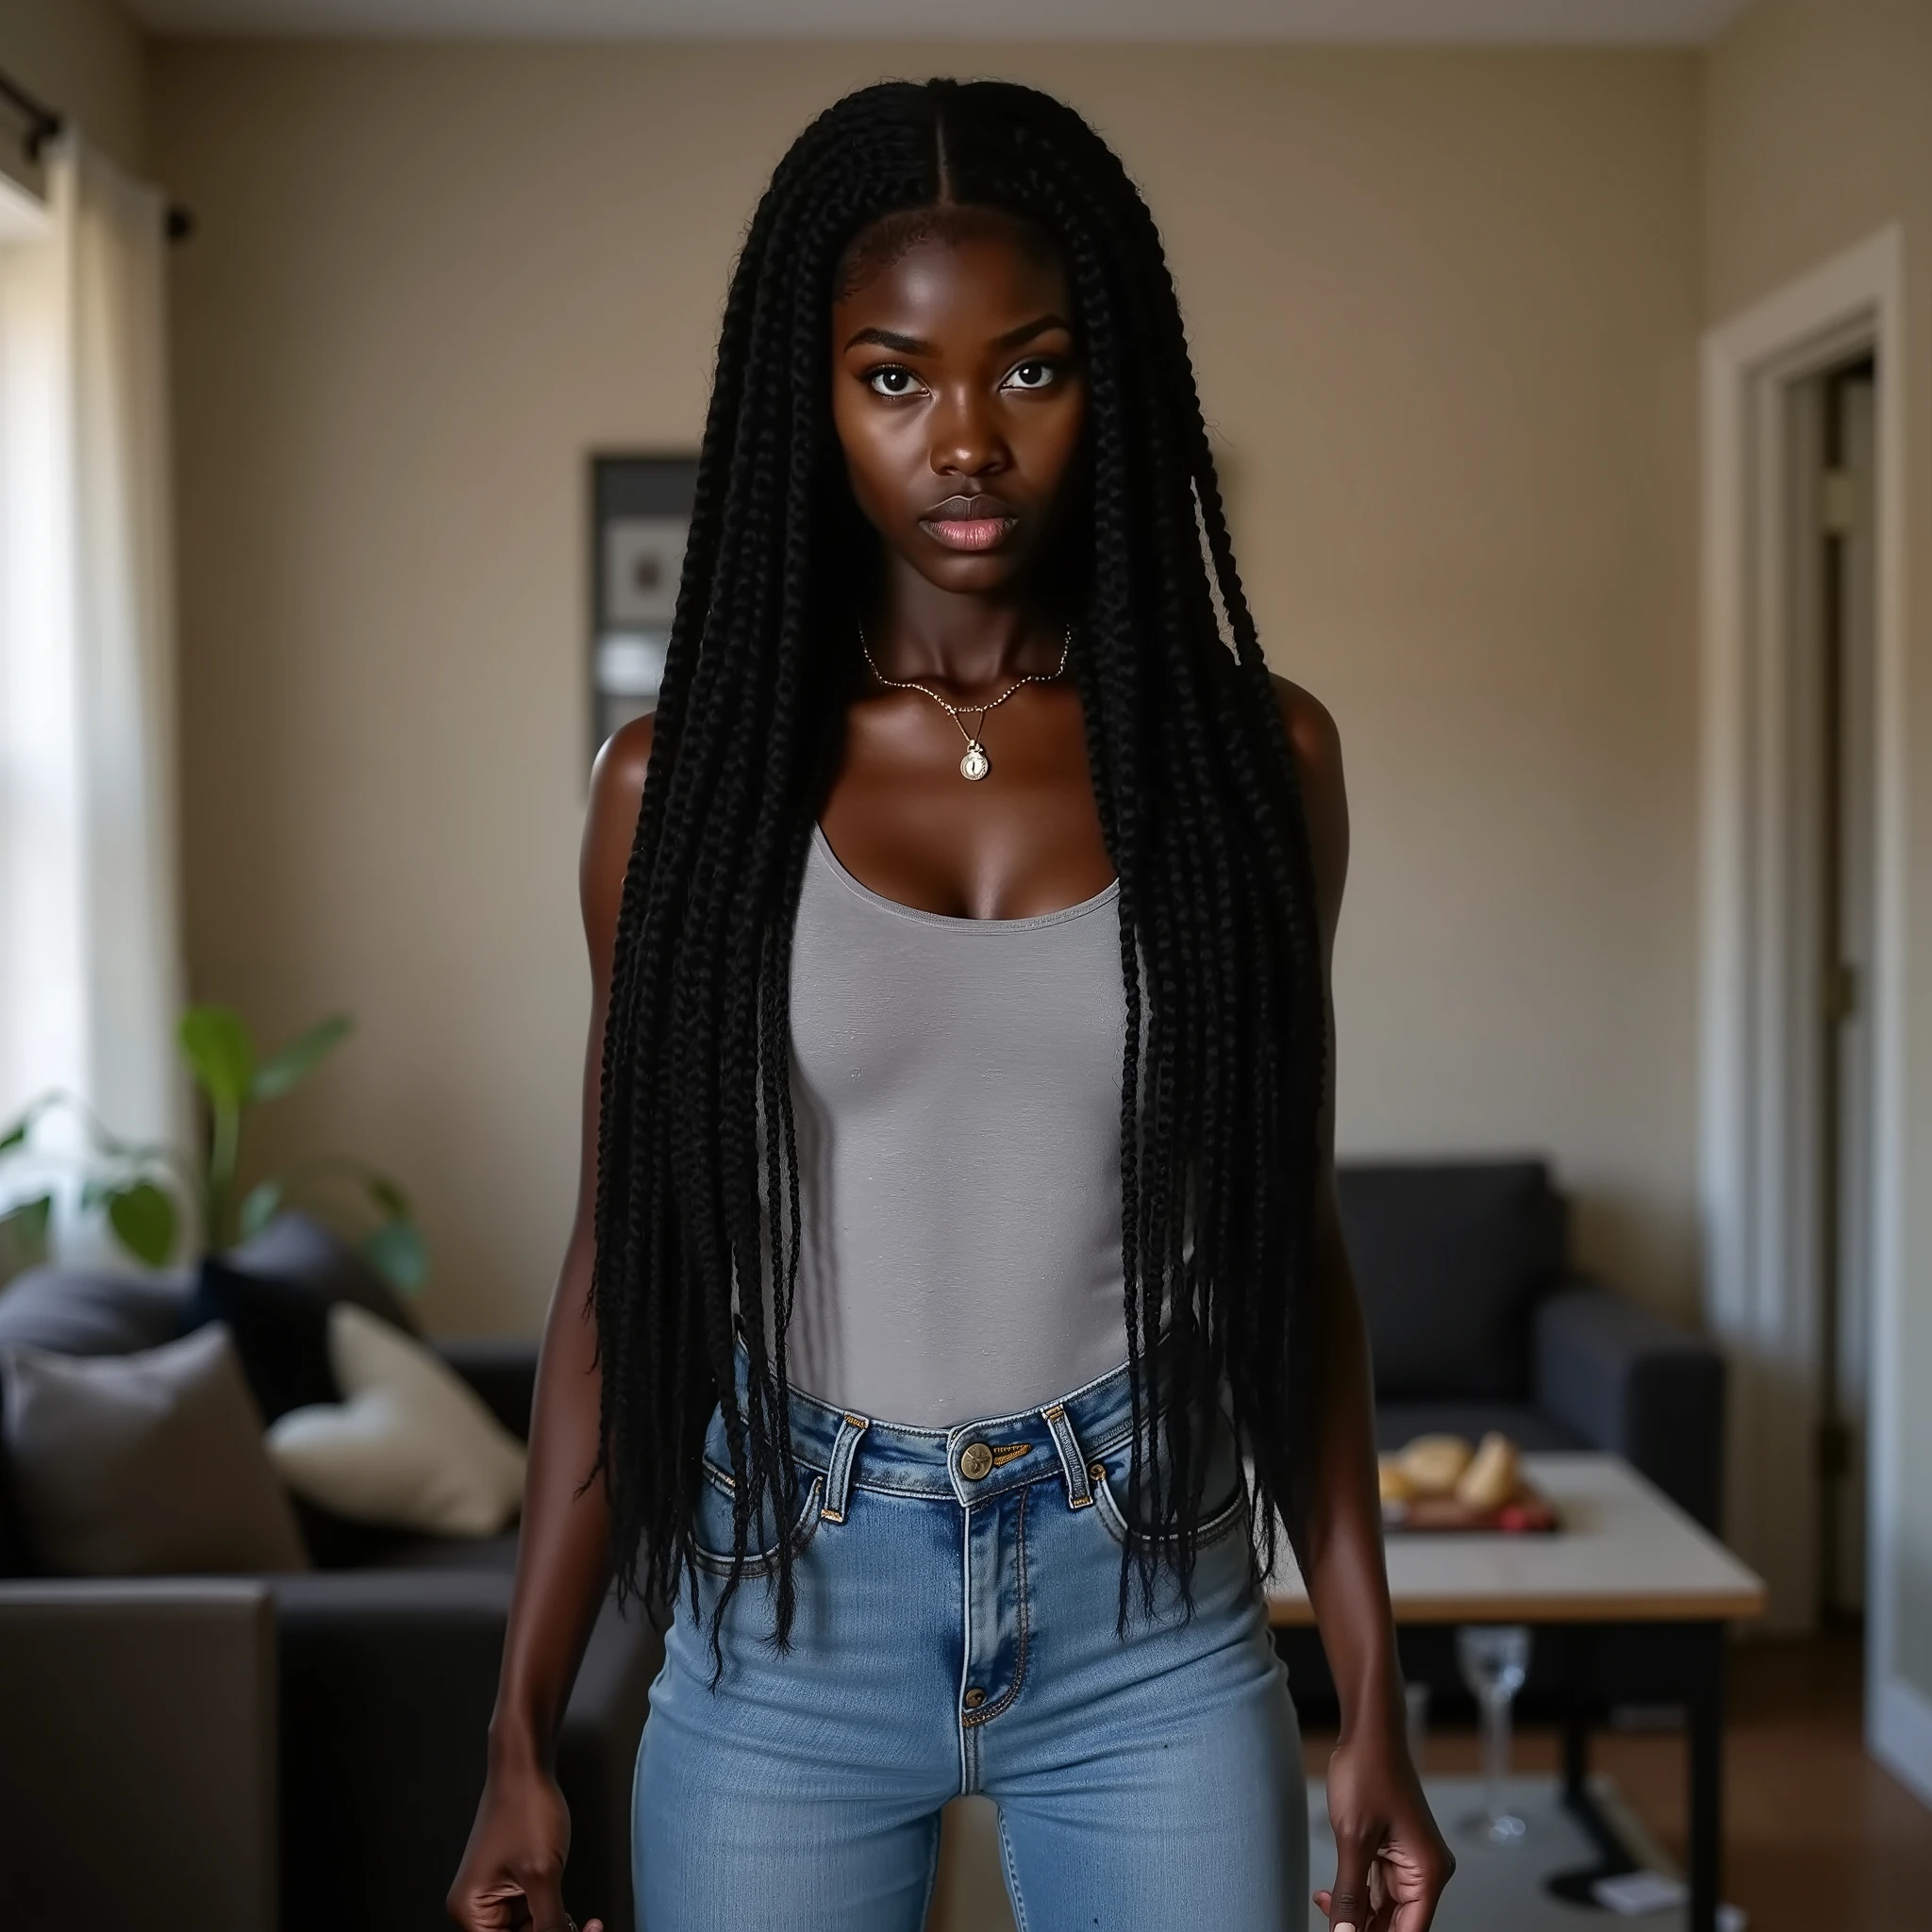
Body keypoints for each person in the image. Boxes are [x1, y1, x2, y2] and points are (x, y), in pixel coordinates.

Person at [449, 76, 1452, 1932]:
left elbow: (1285, 1244)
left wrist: (1373, 1688)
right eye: (896, 378)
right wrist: (518, 1725)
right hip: (783, 1613)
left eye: (1033, 371)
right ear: (808, 400)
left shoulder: (1255, 765)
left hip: (1147, 1600)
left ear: (1112, 389)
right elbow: (621, 1258)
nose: (966, 439)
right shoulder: (676, 792)